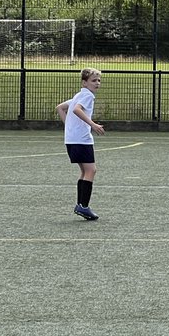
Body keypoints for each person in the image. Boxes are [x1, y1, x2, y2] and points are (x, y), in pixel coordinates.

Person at [56, 67, 105, 221]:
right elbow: (77, 110)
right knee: (91, 170)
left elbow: (60, 108)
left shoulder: (78, 95)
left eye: (98, 80)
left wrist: (69, 127)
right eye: (93, 81)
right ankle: (83, 206)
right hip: (82, 139)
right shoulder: (87, 96)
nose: (97, 83)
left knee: (85, 171)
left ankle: (81, 205)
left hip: (71, 139)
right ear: (84, 82)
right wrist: (93, 124)